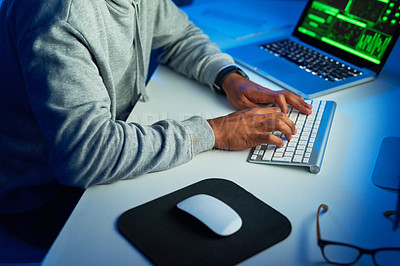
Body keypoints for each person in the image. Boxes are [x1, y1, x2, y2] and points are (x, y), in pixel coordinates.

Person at [0, 0, 312, 251]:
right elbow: (86, 154)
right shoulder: (58, 16)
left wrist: (229, 79)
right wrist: (216, 132)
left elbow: (179, 35)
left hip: (101, 145)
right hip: (43, 192)